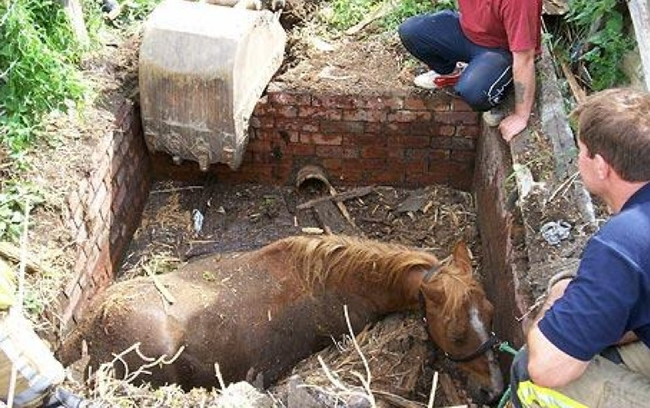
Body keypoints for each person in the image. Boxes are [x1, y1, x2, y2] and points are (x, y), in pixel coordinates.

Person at [510, 88, 650, 407]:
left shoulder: (622, 244)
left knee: (529, 373)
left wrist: (554, 299)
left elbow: (547, 368)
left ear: (600, 166)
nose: (577, 159)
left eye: (581, 150)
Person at [397, 0, 542, 142]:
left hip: (501, 50)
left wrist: (521, 115)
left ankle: (495, 93)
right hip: (467, 31)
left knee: (474, 93)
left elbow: (524, 59)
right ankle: (453, 72)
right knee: (411, 30)